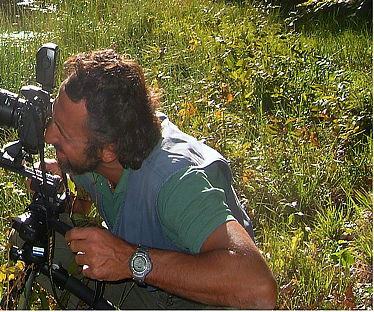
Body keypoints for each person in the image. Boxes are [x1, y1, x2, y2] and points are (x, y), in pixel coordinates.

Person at [32, 49, 277, 309]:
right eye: (53, 119)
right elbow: (92, 204)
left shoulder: (177, 184)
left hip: (204, 298)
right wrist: (60, 181)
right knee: (35, 235)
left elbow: (259, 287)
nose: (48, 136)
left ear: (108, 151)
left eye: (63, 133)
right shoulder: (105, 155)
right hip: (151, 285)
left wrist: (128, 260)